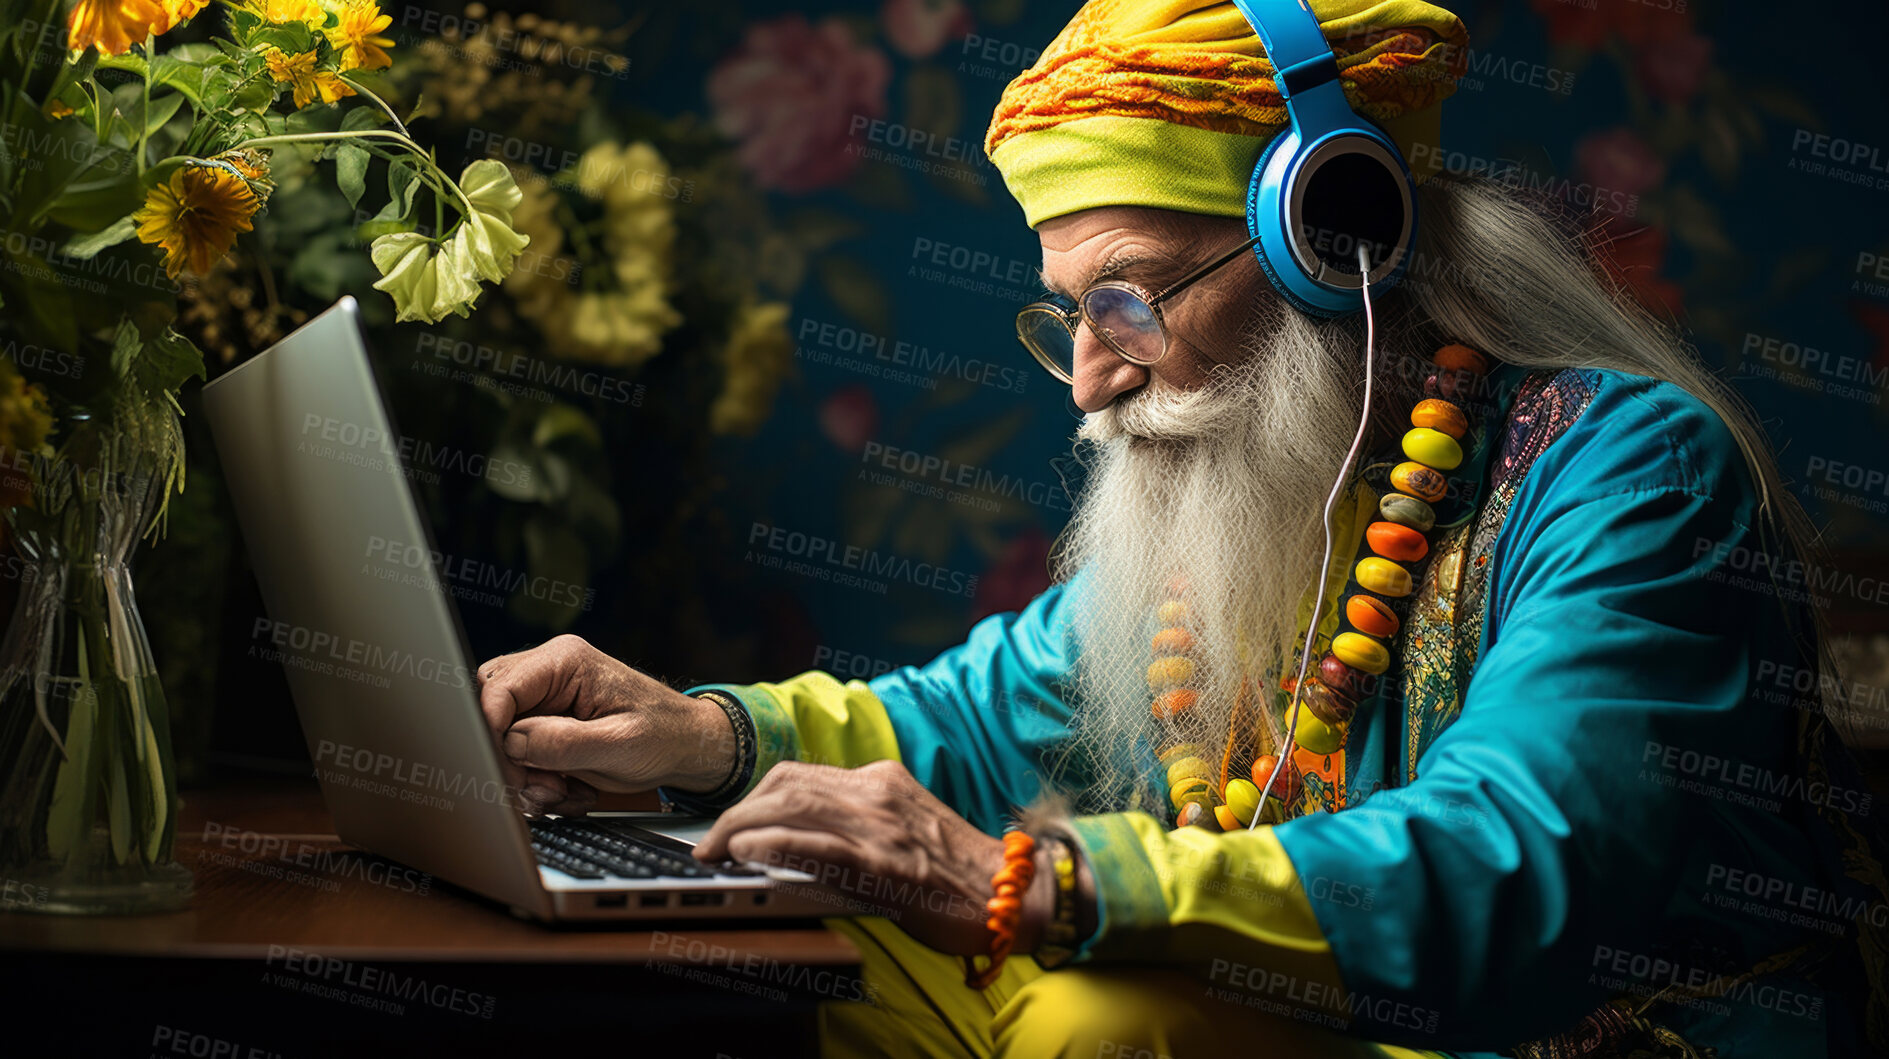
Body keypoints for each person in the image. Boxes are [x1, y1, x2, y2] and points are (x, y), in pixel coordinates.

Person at [474, 1, 1888, 1055]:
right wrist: (700, 738)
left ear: (1342, 245)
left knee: (1100, 1023)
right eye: (1069, 314)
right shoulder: (1251, 501)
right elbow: (973, 719)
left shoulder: (1629, 466)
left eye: (1128, 299)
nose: (1088, 378)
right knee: (785, 925)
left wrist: (1032, 880)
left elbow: (1518, 858)